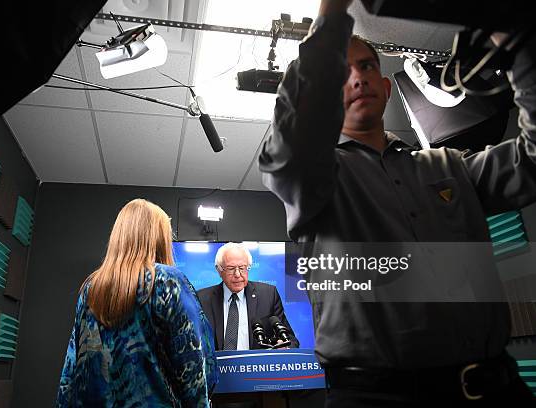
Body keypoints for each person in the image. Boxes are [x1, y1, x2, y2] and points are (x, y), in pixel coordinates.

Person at [258, 0, 536, 406]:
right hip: (376, 399)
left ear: (387, 87)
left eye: (367, 66)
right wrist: (332, 14)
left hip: (495, 389)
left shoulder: (451, 167)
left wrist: (518, 44)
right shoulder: (312, 179)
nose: (357, 78)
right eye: (343, 71)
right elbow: (292, 142)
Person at [57, 199, 217, 407]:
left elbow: (70, 372)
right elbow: (197, 371)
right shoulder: (167, 281)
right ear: (159, 237)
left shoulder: (91, 287)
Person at [197, 242, 299, 350]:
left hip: (256, 365)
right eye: (231, 268)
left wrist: (284, 347)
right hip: (218, 365)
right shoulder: (202, 299)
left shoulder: (268, 295)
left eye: (242, 268)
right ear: (219, 270)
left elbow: (291, 340)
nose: (237, 274)